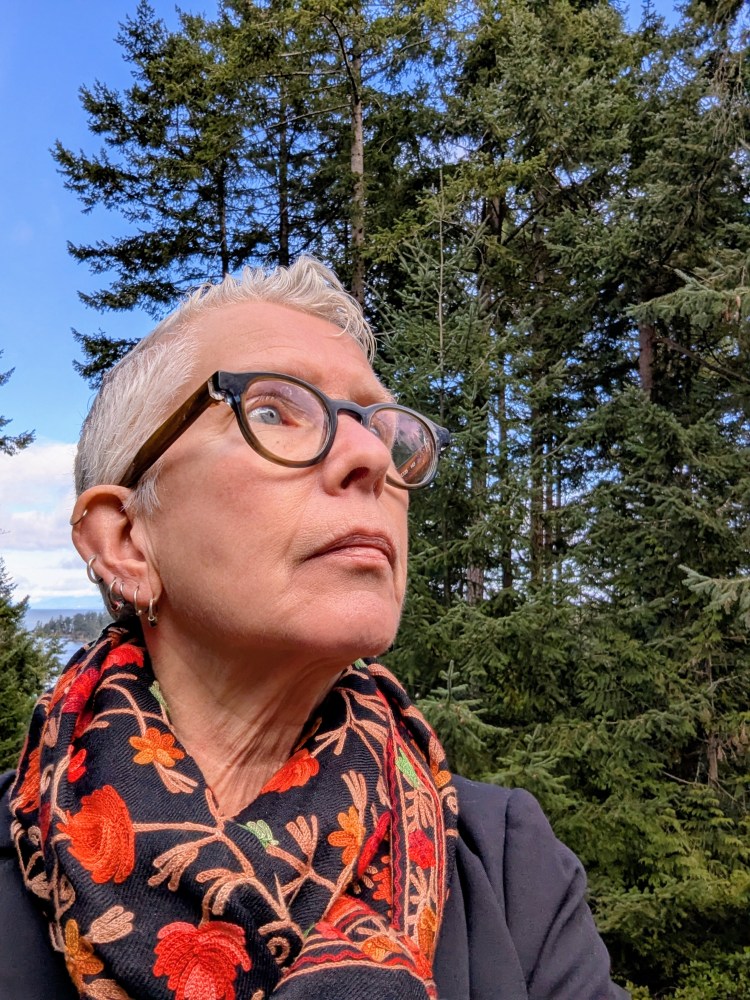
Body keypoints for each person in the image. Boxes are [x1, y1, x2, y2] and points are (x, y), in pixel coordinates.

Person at [0, 257, 629, 1000]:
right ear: (128, 543)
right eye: (271, 410)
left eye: (384, 431)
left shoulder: (511, 867)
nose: (369, 457)